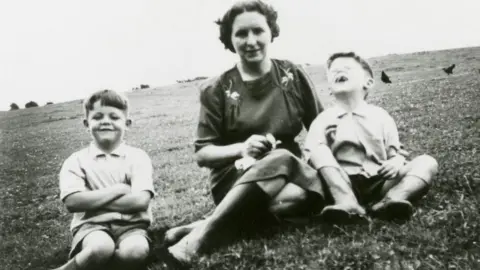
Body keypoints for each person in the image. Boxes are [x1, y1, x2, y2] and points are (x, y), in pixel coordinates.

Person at [165, 0, 325, 263]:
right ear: (230, 39)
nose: (251, 40)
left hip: (290, 176)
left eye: (258, 31)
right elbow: (203, 154)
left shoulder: (293, 75)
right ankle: (201, 239)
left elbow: (320, 129)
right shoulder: (215, 89)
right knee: (282, 157)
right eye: (241, 33)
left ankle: (204, 225)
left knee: (297, 195)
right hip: (236, 178)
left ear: (271, 31)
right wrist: (243, 148)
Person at [305, 52, 439, 223]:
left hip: (380, 180)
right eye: (333, 72)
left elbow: (396, 152)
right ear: (329, 88)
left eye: (347, 68)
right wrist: (327, 147)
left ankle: (391, 200)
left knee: (427, 162)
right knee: (318, 149)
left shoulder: (381, 116)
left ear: (368, 82)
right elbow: (311, 156)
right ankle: (346, 202)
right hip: (341, 182)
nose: (338, 72)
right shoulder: (323, 119)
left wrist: (395, 162)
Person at [53, 90, 155, 270]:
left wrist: (91, 201)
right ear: (86, 123)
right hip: (91, 226)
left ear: (127, 123)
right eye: (98, 117)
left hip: (132, 225)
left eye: (114, 117)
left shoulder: (137, 157)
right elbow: (73, 202)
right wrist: (118, 190)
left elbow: (140, 201)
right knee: (100, 248)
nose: (106, 121)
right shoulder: (76, 161)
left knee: (136, 252)